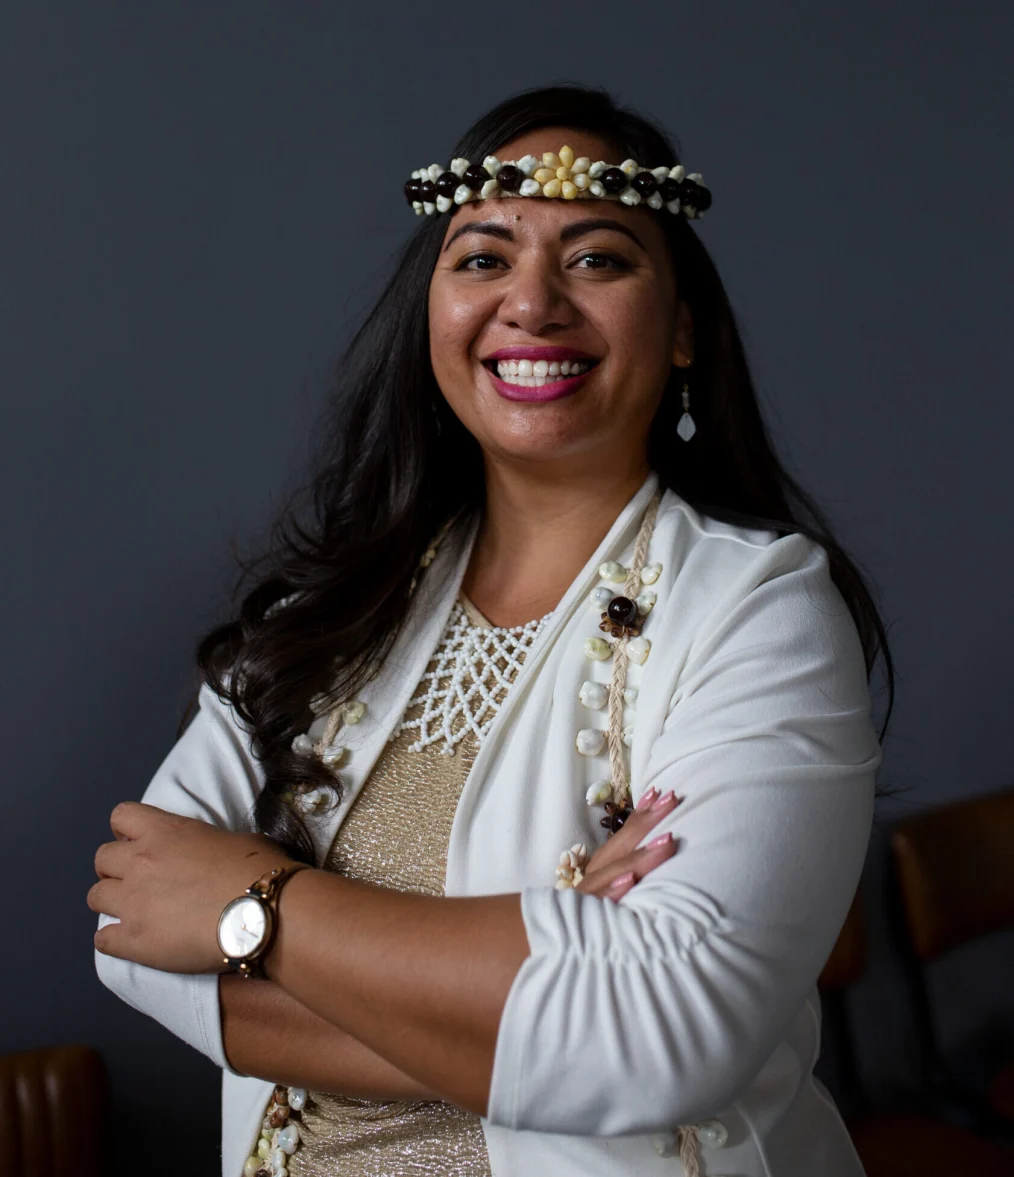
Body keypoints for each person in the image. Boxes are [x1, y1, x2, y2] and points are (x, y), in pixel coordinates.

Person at [89, 83, 894, 1177]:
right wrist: (548, 956)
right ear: (432, 312)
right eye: (480, 258)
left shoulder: (761, 610)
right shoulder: (323, 612)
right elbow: (133, 926)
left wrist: (252, 901)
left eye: (599, 258)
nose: (533, 303)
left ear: (687, 329)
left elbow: (661, 1030)